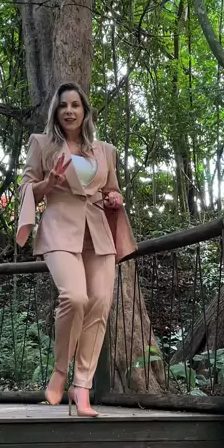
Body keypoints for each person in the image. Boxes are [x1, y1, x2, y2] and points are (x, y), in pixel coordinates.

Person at [16, 82, 136, 417]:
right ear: (55, 112)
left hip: (98, 232)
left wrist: (115, 198)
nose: (69, 111)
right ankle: (60, 371)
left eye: (75, 105)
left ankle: (81, 386)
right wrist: (48, 183)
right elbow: (27, 188)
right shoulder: (42, 144)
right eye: (63, 105)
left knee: (100, 303)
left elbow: (111, 190)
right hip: (59, 228)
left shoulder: (105, 151)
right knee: (75, 297)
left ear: (85, 111)